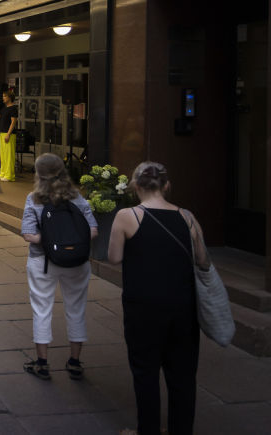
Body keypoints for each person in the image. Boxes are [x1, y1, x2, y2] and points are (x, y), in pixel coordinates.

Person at [108, 162, 207, 435]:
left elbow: (114, 258)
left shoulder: (127, 216)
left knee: (145, 372)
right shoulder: (187, 216)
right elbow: (202, 259)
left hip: (143, 308)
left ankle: (148, 430)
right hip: (183, 307)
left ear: (136, 187)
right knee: (183, 376)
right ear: (166, 186)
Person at [19, 153, 97, 380]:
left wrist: (52, 241)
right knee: (76, 309)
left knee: (41, 309)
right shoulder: (78, 198)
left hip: (43, 262)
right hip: (77, 263)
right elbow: (92, 231)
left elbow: (28, 235)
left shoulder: (33, 199)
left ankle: (42, 364)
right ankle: (74, 362)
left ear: (38, 174)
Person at [0, 89, 18, 182]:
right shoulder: (4, 108)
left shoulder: (13, 108)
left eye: (5, 96)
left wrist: (8, 134)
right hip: (2, 133)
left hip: (9, 134)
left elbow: (13, 122)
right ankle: (3, 172)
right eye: (3, 96)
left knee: (9, 155)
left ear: (9, 98)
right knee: (4, 155)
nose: (3, 98)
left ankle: (10, 175)